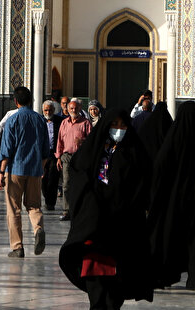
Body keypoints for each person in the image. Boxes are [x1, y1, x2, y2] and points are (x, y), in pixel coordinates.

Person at [59, 108, 154, 309]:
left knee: (116, 280)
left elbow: (143, 184)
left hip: (122, 226)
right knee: (96, 275)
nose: (119, 129)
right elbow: (79, 178)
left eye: (123, 126)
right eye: (114, 125)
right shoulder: (93, 151)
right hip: (95, 225)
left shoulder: (134, 152)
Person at [148, 101, 195, 291]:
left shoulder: (174, 139)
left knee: (171, 236)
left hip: (176, 200)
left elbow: (159, 169)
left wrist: (154, 197)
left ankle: (164, 276)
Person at [0, 86, 51, 258]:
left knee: (14, 209)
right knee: (34, 205)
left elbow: (6, 149)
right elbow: (46, 150)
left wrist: (1, 173)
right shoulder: (40, 120)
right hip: (35, 169)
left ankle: (17, 247)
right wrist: (41, 167)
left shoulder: (12, 120)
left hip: (15, 168)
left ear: (15, 101)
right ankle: (38, 228)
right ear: (31, 101)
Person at [55, 98, 92, 222]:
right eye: (71, 108)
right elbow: (60, 140)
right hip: (66, 156)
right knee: (66, 185)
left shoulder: (85, 123)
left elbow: (91, 141)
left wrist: (82, 141)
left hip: (80, 158)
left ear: (80, 109)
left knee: (80, 184)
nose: (73, 110)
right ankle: (67, 210)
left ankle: (80, 209)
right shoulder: (64, 123)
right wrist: (58, 157)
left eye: (75, 108)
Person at [41, 100, 64, 211]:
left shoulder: (60, 121)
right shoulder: (39, 121)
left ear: (54, 110)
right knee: (43, 179)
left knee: (53, 178)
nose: (48, 112)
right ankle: (47, 197)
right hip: (42, 155)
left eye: (50, 110)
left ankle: (51, 203)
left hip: (55, 154)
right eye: (46, 110)